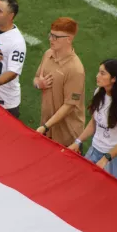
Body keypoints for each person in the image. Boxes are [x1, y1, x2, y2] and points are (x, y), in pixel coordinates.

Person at [68, 59, 117, 183]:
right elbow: (94, 122)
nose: (97, 76)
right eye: (99, 72)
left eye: (102, 73)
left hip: (115, 159)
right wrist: (78, 141)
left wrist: (106, 158)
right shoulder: (99, 93)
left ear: (114, 79)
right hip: (95, 151)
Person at [34, 17, 85, 147]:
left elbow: (69, 106)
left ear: (69, 39)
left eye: (56, 37)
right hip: (47, 128)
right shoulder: (48, 54)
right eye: (50, 35)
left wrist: (46, 126)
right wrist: (39, 84)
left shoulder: (75, 69)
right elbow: (36, 79)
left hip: (66, 136)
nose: (50, 39)